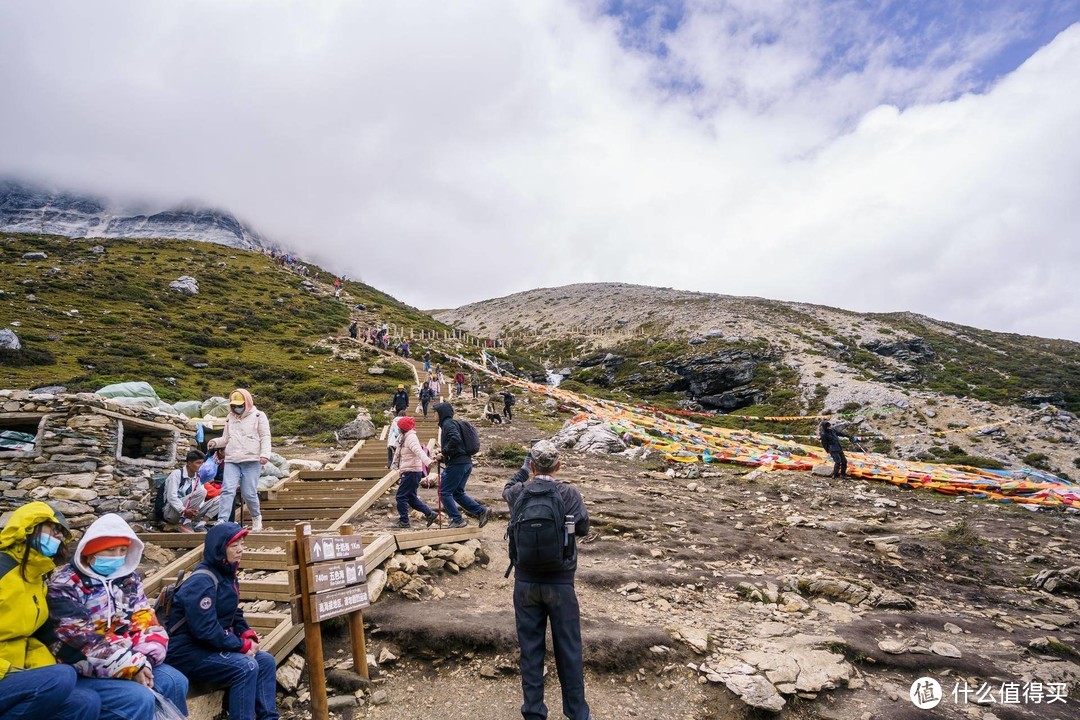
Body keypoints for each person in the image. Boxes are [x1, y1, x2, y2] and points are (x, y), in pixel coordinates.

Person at [47, 514, 189, 720]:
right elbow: (79, 641)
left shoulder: (128, 580)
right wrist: (130, 666)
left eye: (122, 550)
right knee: (138, 698)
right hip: (81, 665)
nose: (117, 556)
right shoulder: (65, 585)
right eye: (110, 550)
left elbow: (146, 622)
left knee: (175, 681)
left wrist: (144, 660)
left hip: (130, 657)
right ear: (90, 552)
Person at [503, 441, 591, 720]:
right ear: (558, 465)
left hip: (525, 582)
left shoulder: (518, 492)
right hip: (561, 583)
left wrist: (521, 471)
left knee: (530, 649)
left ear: (532, 465)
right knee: (569, 649)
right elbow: (583, 527)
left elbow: (505, 488)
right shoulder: (569, 493)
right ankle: (577, 713)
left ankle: (533, 712)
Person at [165, 523, 278, 720]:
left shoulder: (227, 574)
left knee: (266, 661)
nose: (241, 549)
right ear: (220, 548)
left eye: (242, 544)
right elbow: (205, 630)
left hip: (209, 646)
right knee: (246, 667)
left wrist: (245, 633)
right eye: (235, 545)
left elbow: (233, 612)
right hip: (187, 651)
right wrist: (241, 646)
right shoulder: (202, 581)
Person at [0, 502, 101, 720]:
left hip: (16, 671)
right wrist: (7, 671)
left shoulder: (36, 577)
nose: (56, 538)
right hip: (4, 672)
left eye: (60, 535)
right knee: (60, 677)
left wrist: (94, 659)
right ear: (28, 526)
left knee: (85, 702)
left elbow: (41, 633)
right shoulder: (3, 571)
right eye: (52, 529)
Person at [211, 389, 271, 533]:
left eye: (240, 405)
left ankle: (256, 517)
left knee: (248, 493)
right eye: (234, 405)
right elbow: (225, 439)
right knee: (227, 490)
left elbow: (265, 436)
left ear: (247, 403)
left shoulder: (258, 416)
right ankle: (222, 520)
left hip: (252, 459)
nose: (237, 408)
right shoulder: (229, 418)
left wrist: (265, 454)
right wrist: (215, 442)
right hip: (232, 459)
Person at [432, 402, 490, 529]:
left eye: (435, 412)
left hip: (457, 464)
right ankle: (481, 511)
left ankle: (457, 520)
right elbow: (457, 446)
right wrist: (443, 456)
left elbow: (455, 439)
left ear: (441, 413)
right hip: (465, 463)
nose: (433, 414)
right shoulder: (449, 424)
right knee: (457, 493)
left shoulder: (448, 424)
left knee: (444, 492)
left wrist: (443, 452)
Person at [390, 416, 438, 529]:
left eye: (399, 427)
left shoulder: (410, 437)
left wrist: (428, 462)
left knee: (401, 497)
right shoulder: (403, 437)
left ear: (403, 428)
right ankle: (430, 514)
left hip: (411, 471)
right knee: (411, 498)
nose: (398, 429)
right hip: (410, 470)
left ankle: (404, 521)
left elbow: (418, 451)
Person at [164, 449, 219, 532]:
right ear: (189, 464)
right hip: (173, 512)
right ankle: (186, 523)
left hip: (191, 511)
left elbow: (200, 499)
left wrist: (196, 510)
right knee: (202, 492)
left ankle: (200, 524)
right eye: (198, 463)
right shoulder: (177, 474)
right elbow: (171, 497)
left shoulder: (198, 477)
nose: (201, 466)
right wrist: (184, 510)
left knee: (221, 498)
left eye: (202, 463)